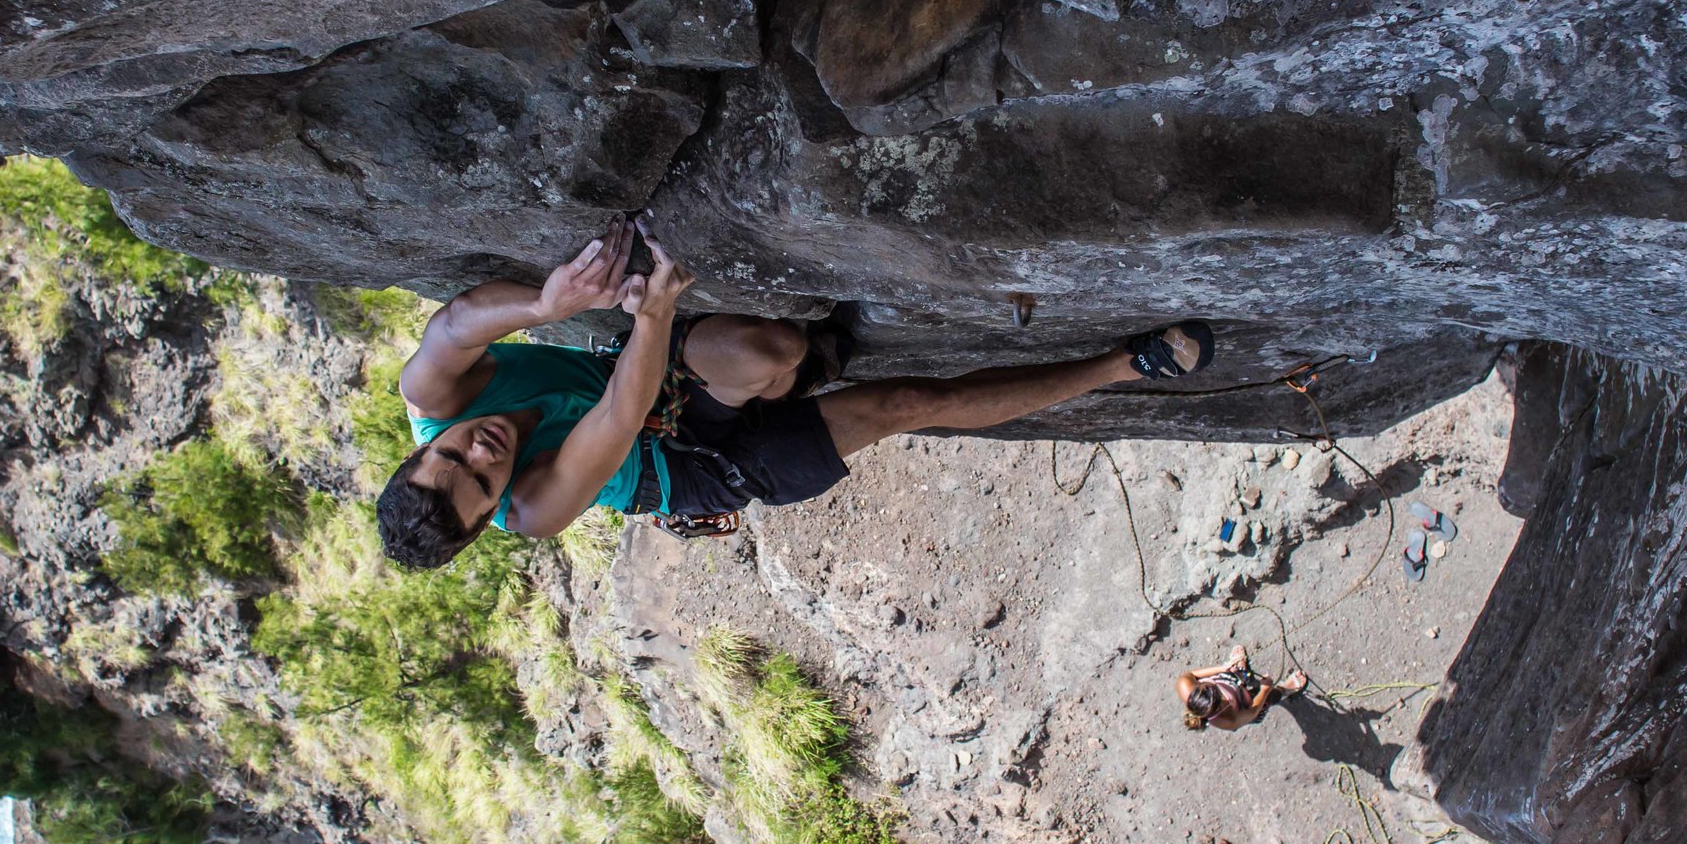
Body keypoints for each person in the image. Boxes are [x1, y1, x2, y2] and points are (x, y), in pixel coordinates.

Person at [374, 216, 1217, 570]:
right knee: (904, 404)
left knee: (770, 351)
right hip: (680, 466)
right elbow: (618, 418)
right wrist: (654, 312)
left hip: (653, 388)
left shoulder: (433, 392)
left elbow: (452, 325)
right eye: (481, 482)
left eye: (450, 454)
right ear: (491, 515)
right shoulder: (538, 507)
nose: (478, 454)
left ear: (423, 444)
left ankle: (805, 365)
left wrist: (546, 303)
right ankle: (1123, 366)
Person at [1175, 644, 1306, 732]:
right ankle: (1282, 690)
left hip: (1227, 681)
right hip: (1245, 705)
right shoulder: (1226, 720)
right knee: (1267, 698)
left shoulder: (1185, 686)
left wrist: (1223, 668)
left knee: (1232, 673)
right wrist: (1265, 690)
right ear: (1219, 705)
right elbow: (1251, 712)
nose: (1214, 686)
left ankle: (1240, 673)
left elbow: (1192, 674)